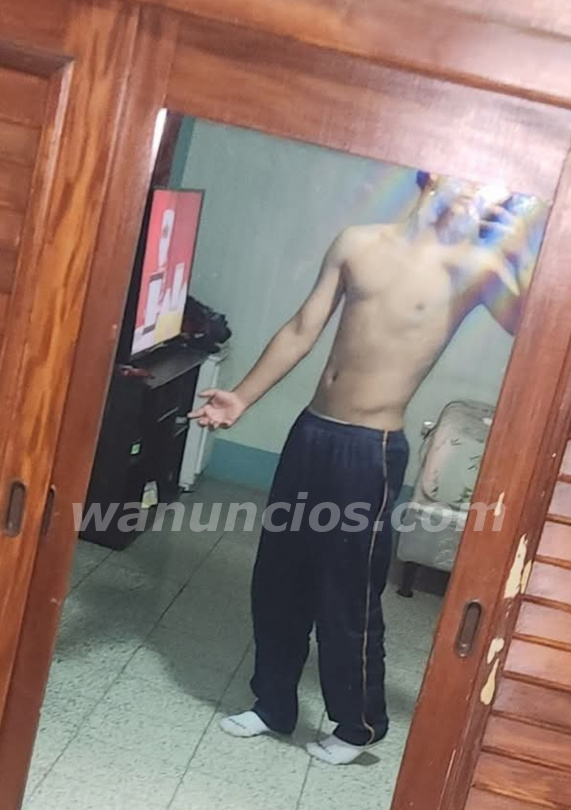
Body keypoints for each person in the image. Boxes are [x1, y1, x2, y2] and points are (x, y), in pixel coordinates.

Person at [190, 172, 543, 765]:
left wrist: (516, 248)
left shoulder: (475, 269)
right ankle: (273, 705)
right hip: (311, 432)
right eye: (466, 177)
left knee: (347, 593)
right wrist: (241, 398)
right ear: (432, 172)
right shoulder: (357, 242)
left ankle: (358, 727)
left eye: (488, 186)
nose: (474, 192)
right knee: (277, 577)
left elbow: (540, 323)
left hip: (370, 451)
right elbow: (302, 330)